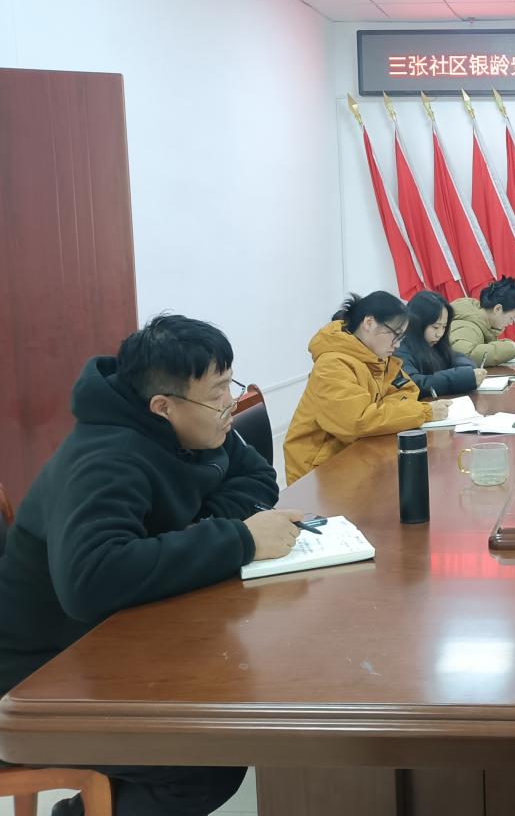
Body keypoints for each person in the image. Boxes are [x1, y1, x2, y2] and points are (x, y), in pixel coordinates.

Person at [0, 315, 304, 816]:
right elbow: (90, 579)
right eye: (217, 392)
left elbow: (257, 477)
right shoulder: (104, 460)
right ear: (163, 405)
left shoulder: (199, 426)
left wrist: (200, 530)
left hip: (121, 639)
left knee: (232, 719)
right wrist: (238, 539)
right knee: (200, 764)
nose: (229, 403)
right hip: (40, 677)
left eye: (229, 383)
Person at [284, 292, 450, 484]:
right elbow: (357, 422)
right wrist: (423, 412)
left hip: (357, 455)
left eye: (401, 337)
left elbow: (407, 390)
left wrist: (381, 412)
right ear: (369, 323)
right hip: (318, 474)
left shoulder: (377, 357)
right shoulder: (332, 365)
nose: (397, 344)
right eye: (395, 335)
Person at [395, 290, 485, 396]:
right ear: (418, 323)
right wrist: (462, 376)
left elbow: (456, 357)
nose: (440, 334)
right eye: (436, 327)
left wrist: (467, 370)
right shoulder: (399, 351)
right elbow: (414, 384)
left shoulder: (435, 344)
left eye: (444, 326)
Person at [449, 277, 515, 367]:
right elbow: (466, 356)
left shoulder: (481, 323)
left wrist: (505, 344)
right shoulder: (466, 326)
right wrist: (508, 348)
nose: (511, 323)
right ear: (497, 309)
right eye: (511, 318)